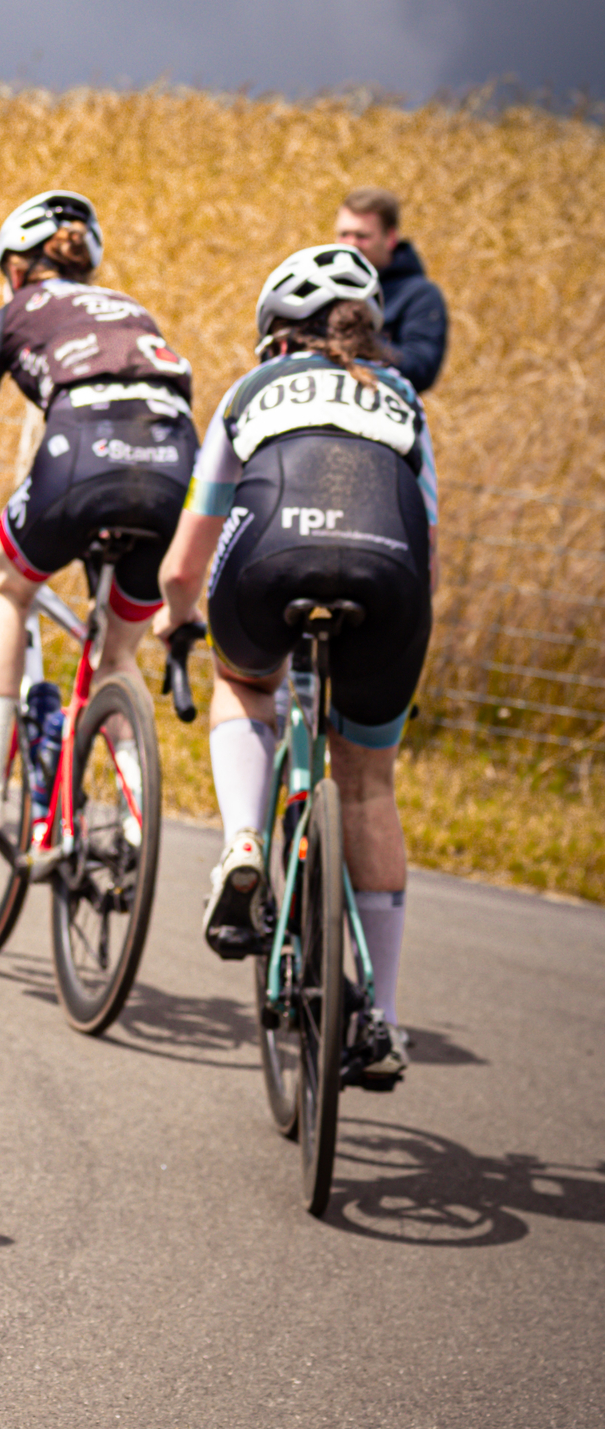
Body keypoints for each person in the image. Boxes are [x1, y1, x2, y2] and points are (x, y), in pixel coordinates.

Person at [158, 241, 433, 1084]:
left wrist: (176, 624)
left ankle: (243, 845)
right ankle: (381, 1019)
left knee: (244, 681)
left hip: (270, 561)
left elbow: (183, 562)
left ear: (275, 333)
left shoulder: (251, 389)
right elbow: (430, 539)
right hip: (390, 575)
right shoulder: (405, 397)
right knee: (371, 783)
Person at [0, 189, 195, 831]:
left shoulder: (10, 317)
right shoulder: (137, 314)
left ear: (14, 266)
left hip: (82, 455)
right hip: (174, 473)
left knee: (8, 588)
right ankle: (142, 816)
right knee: (117, 656)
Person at [335, 187, 447, 391]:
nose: (350, 245)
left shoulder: (419, 295)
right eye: (344, 234)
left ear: (391, 238)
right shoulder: (318, 287)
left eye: (362, 236)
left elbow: (421, 369)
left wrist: (358, 339)